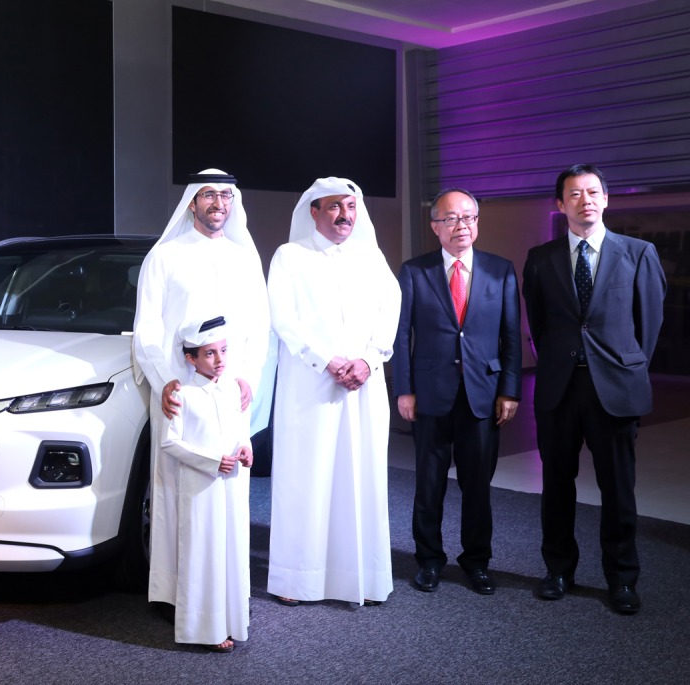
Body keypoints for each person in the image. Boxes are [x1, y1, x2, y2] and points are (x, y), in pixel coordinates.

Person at [522, 164, 665, 615]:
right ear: (560, 204)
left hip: (615, 388)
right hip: (559, 389)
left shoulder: (638, 253)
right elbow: (539, 325)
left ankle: (621, 579)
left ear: (605, 199)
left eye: (592, 192)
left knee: (618, 489)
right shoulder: (540, 258)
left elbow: (649, 325)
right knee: (556, 485)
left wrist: (624, 367)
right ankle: (558, 571)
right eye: (574, 194)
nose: (584, 200)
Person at [133, 169, 270, 609]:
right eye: (209, 195)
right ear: (192, 201)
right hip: (179, 392)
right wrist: (163, 381)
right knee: (176, 491)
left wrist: (247, 376)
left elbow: (259, 327)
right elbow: (146, 328)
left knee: (228, 488)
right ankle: (175, 598)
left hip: (230, 391)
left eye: (226, 195)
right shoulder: (165, 256)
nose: (218, 203)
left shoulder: (243, 258)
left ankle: (226, 598)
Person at [266, 177, 400, 607]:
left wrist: (368, 360)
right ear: (314, 212)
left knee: (361, 477)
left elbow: (390, 312)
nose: (345, 215)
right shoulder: (290, 256)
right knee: (306, 478)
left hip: (363, 385)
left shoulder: (371, 257)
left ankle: (362, 577)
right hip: (310, 386)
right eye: (335, 207)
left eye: (351, 206)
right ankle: (296, 579)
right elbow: (282, 318)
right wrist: (326, 361)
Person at [393, 188, 522, 595]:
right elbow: (401, 335)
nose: (460, 225)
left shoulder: (501, 270)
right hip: (430, 393)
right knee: (429, 484)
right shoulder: (415, 271)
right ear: (435, 226)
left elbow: (511, 336)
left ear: (477, 222)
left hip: (483, 394)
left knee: (477, 486)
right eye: (450, 219)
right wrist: (404, 389)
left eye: (468, 217)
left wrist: (510, 390)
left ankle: (476, 562)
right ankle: (429, 560)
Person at [162, 316, 252, 653]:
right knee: (203, 553)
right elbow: (170, 442)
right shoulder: (182, 395)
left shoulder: (232, 389)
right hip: (200, 487)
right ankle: (203, 628)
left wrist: (246, 447)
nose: (219, 360)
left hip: (231, 484)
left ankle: (231, 620)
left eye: (223, 351)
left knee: (231, 550)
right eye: (210, 353)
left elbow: (239, 429)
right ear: (191, 359)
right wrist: (211, 462)